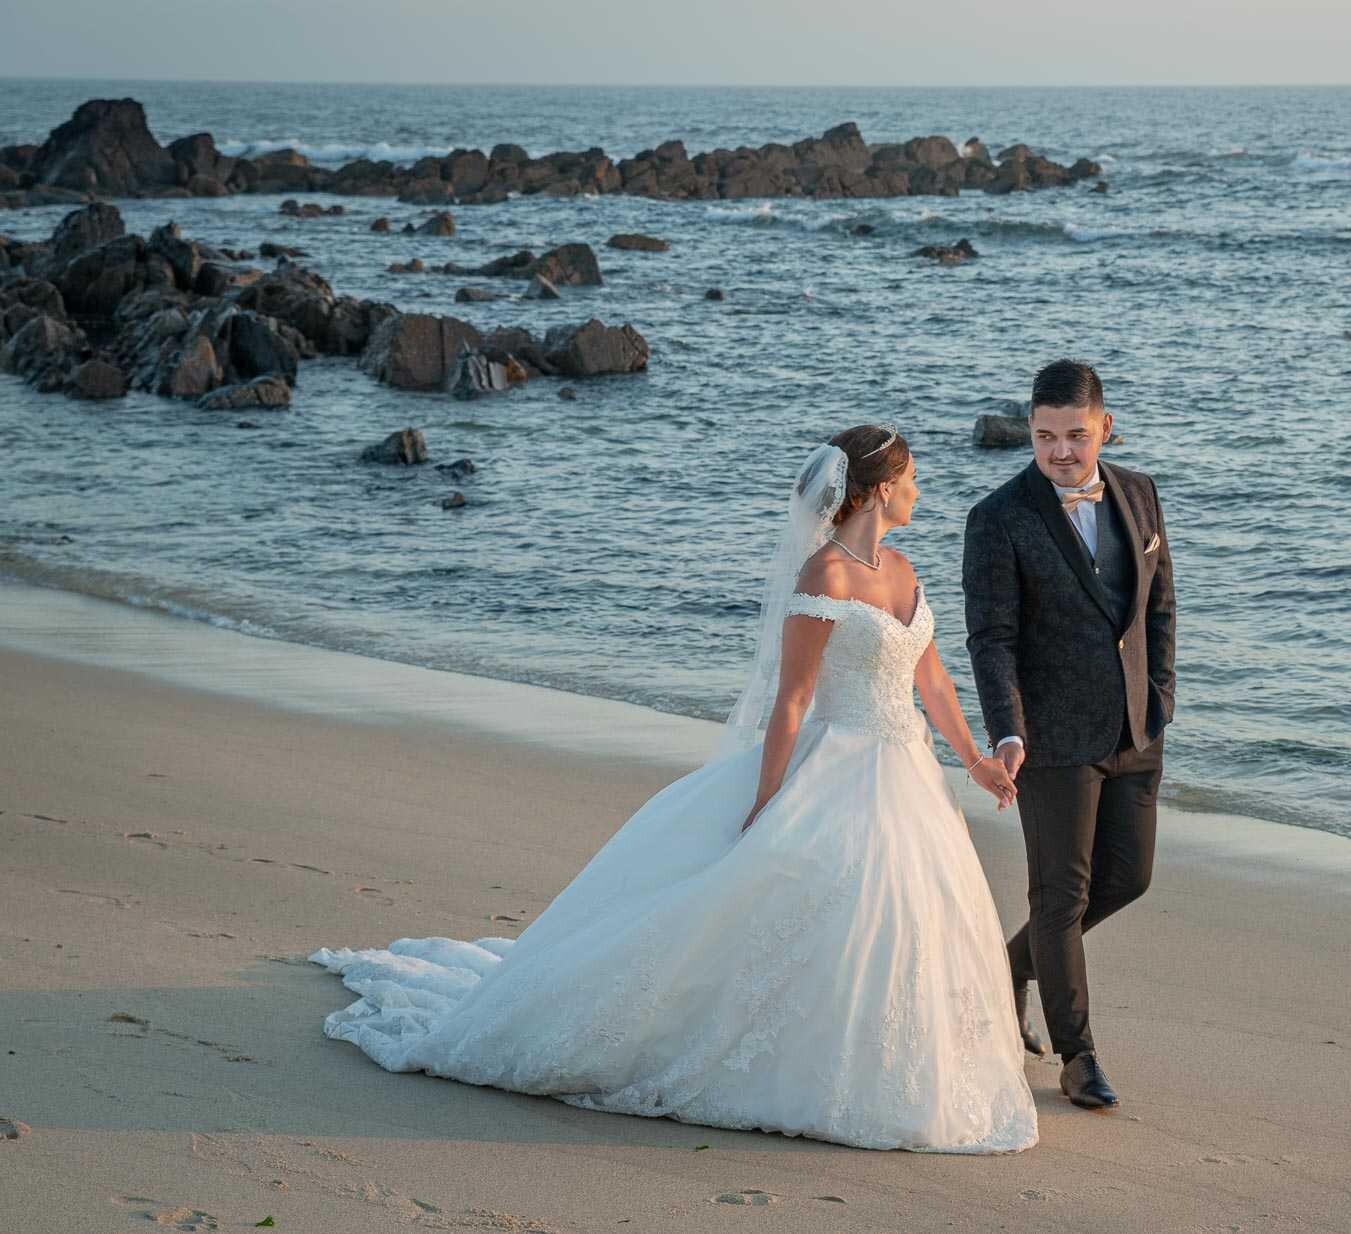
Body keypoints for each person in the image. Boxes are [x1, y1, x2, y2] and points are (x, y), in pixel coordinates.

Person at [309, 425, 1038, 1154]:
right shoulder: (825, 576)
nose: (919, 490)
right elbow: (791, 700)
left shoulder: (905, 568)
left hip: (904, 772)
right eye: (911, 479)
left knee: (907, 914)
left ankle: (892, 1066)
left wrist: (973, 761)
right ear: (882, 488)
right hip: (839, 763)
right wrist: (768, 798)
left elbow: (930, 679)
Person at [963, 360, 1176, 1111]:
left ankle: (1008, 965)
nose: (1060, 452)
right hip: (1050, 736)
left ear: (1104, 428)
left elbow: (1159, 608)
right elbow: (991, 638)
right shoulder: (998, 518)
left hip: (1133, 727)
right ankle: (1077, 1055)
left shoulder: (1140, 493)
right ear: (1030, 430)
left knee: (1130, 877)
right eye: (1046, 436)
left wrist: (1161, 697)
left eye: (1075, 436)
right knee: (1061, 894)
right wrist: (1007, 732)